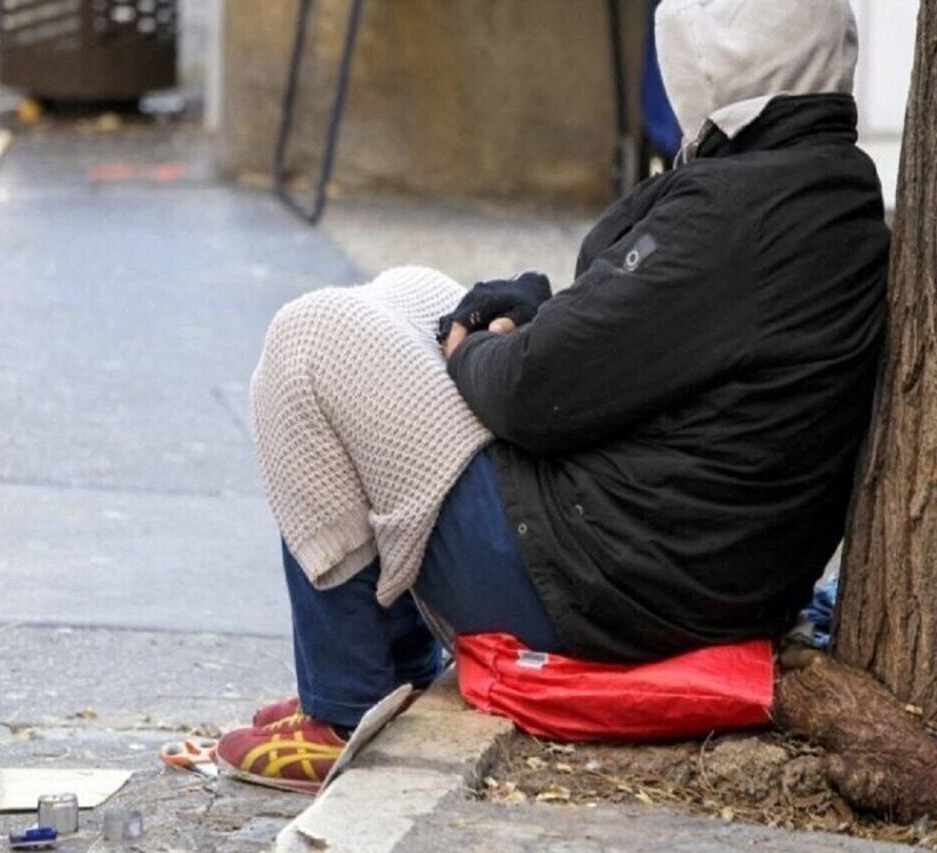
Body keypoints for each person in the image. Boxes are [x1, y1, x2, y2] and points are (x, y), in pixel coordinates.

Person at [216, 0, 890, 795]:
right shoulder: (816, 187)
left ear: (717, 63)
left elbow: (534, 393)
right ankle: (392, 667)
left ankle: (341, 706)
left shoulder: (744, 214)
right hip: (660, 572)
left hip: (594, 588)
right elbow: (627, 347)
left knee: (313, 338)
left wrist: (484, 344)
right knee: (416, 293)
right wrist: (504, 323)